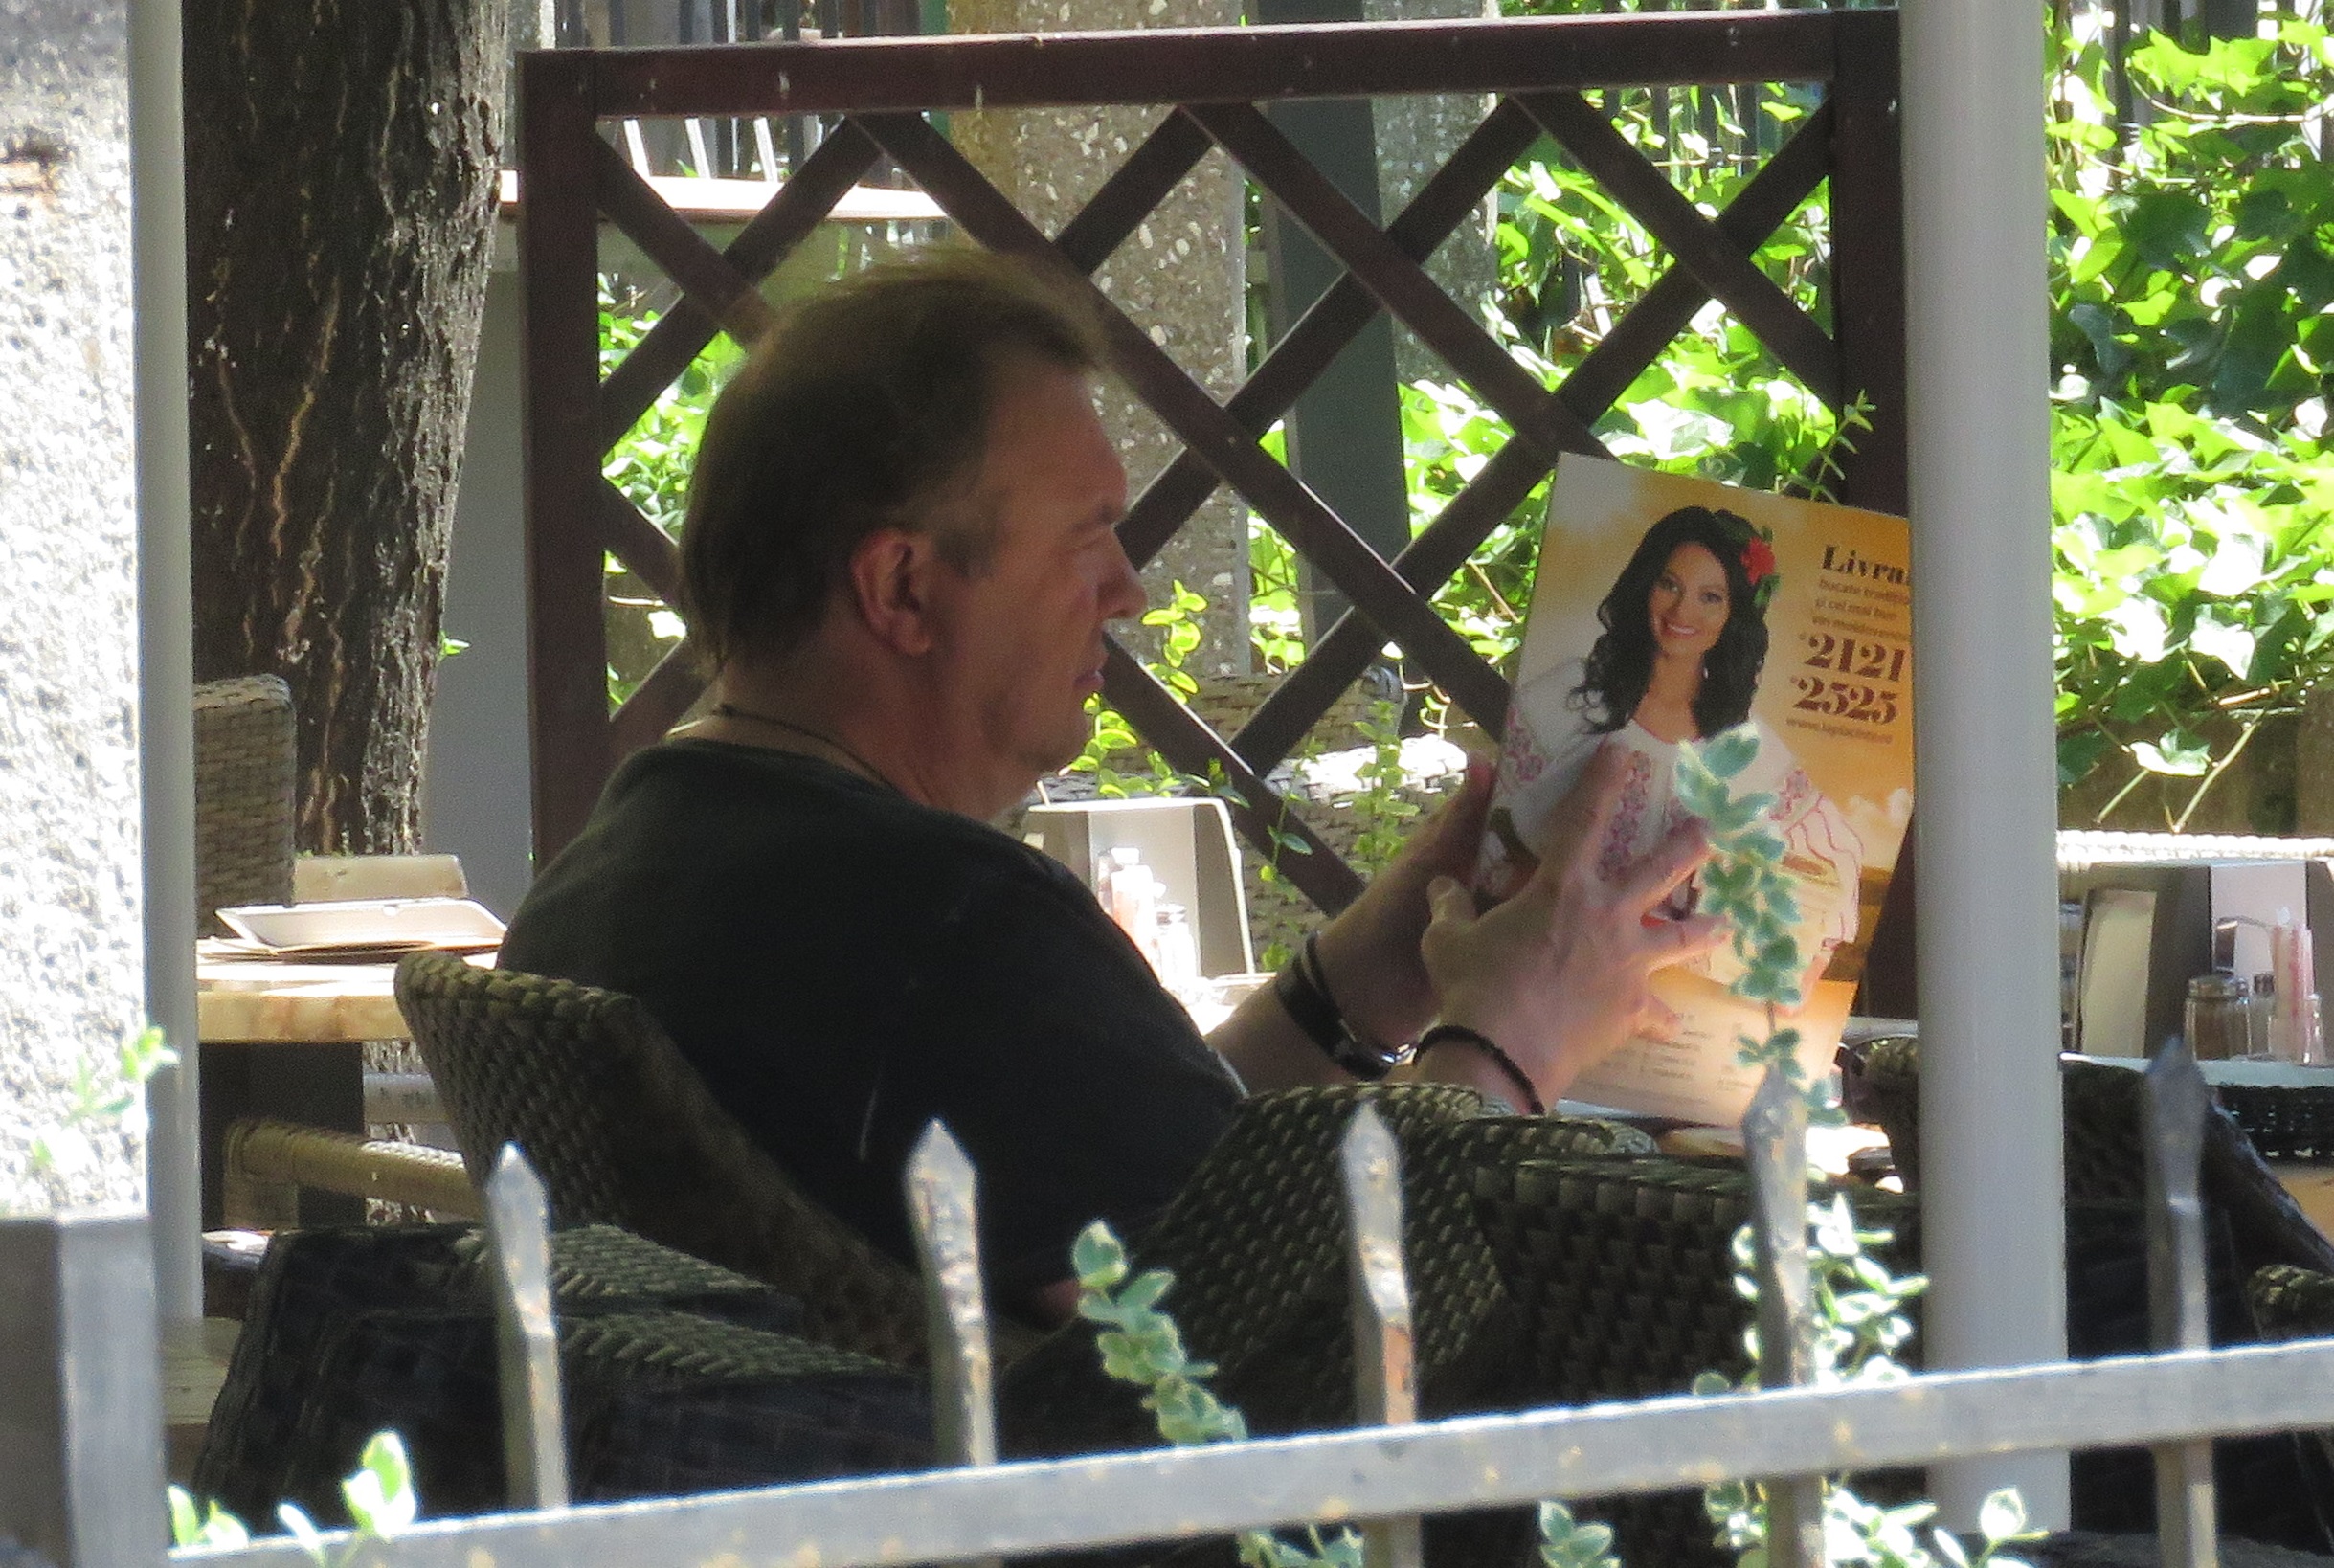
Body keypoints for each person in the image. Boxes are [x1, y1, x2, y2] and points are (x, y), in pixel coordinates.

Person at [499, 249, 1722, 1326]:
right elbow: (1276, 1351)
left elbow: (1141, 1182)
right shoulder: (947, 923)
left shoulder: (630, 867)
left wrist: (1368, 979)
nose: (1127, 589)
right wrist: (1510, 1040)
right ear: (903, 589)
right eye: (1084, 537)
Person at [1477, 504, 1865, 1000]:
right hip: (1537, 973)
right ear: (1645, 586)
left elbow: (1833, 858)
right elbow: (1495, 839)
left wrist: (1808, 955)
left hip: (1674, 998)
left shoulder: (1745, 746)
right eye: (1669, 584)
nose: (1683, 612)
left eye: (1710, 597)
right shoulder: (1568, 698)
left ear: (1733, 616)